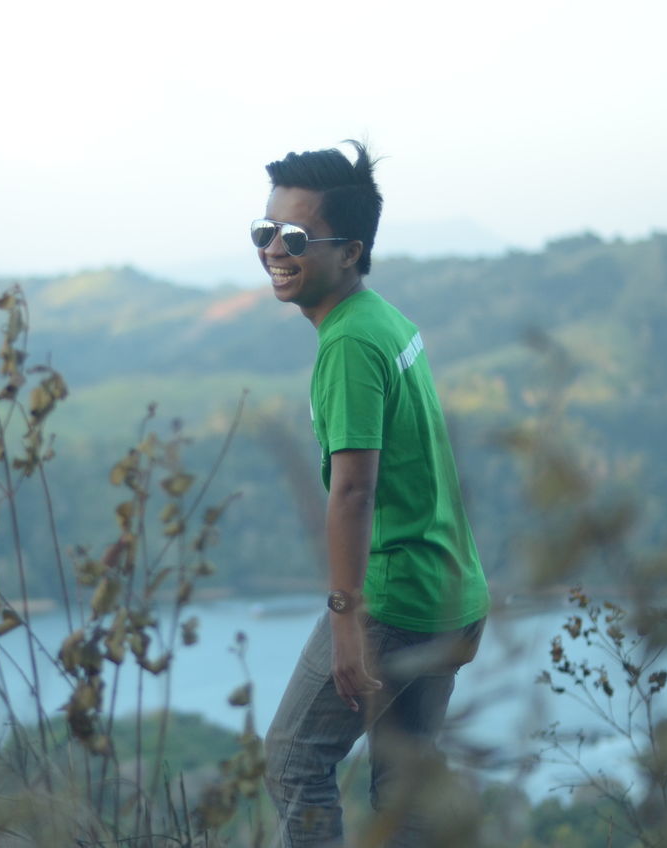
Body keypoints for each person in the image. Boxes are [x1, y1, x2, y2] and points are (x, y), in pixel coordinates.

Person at [258, 142, 491, 847]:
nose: (275, 249)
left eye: (295, 237)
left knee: (295, 759)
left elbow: (353, 493)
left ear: (351, 250)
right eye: (264, 232)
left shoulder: (350, 346)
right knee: (406, 790)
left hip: (390, 600)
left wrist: (345, 619)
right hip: (447, 589)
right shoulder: (383, 319)